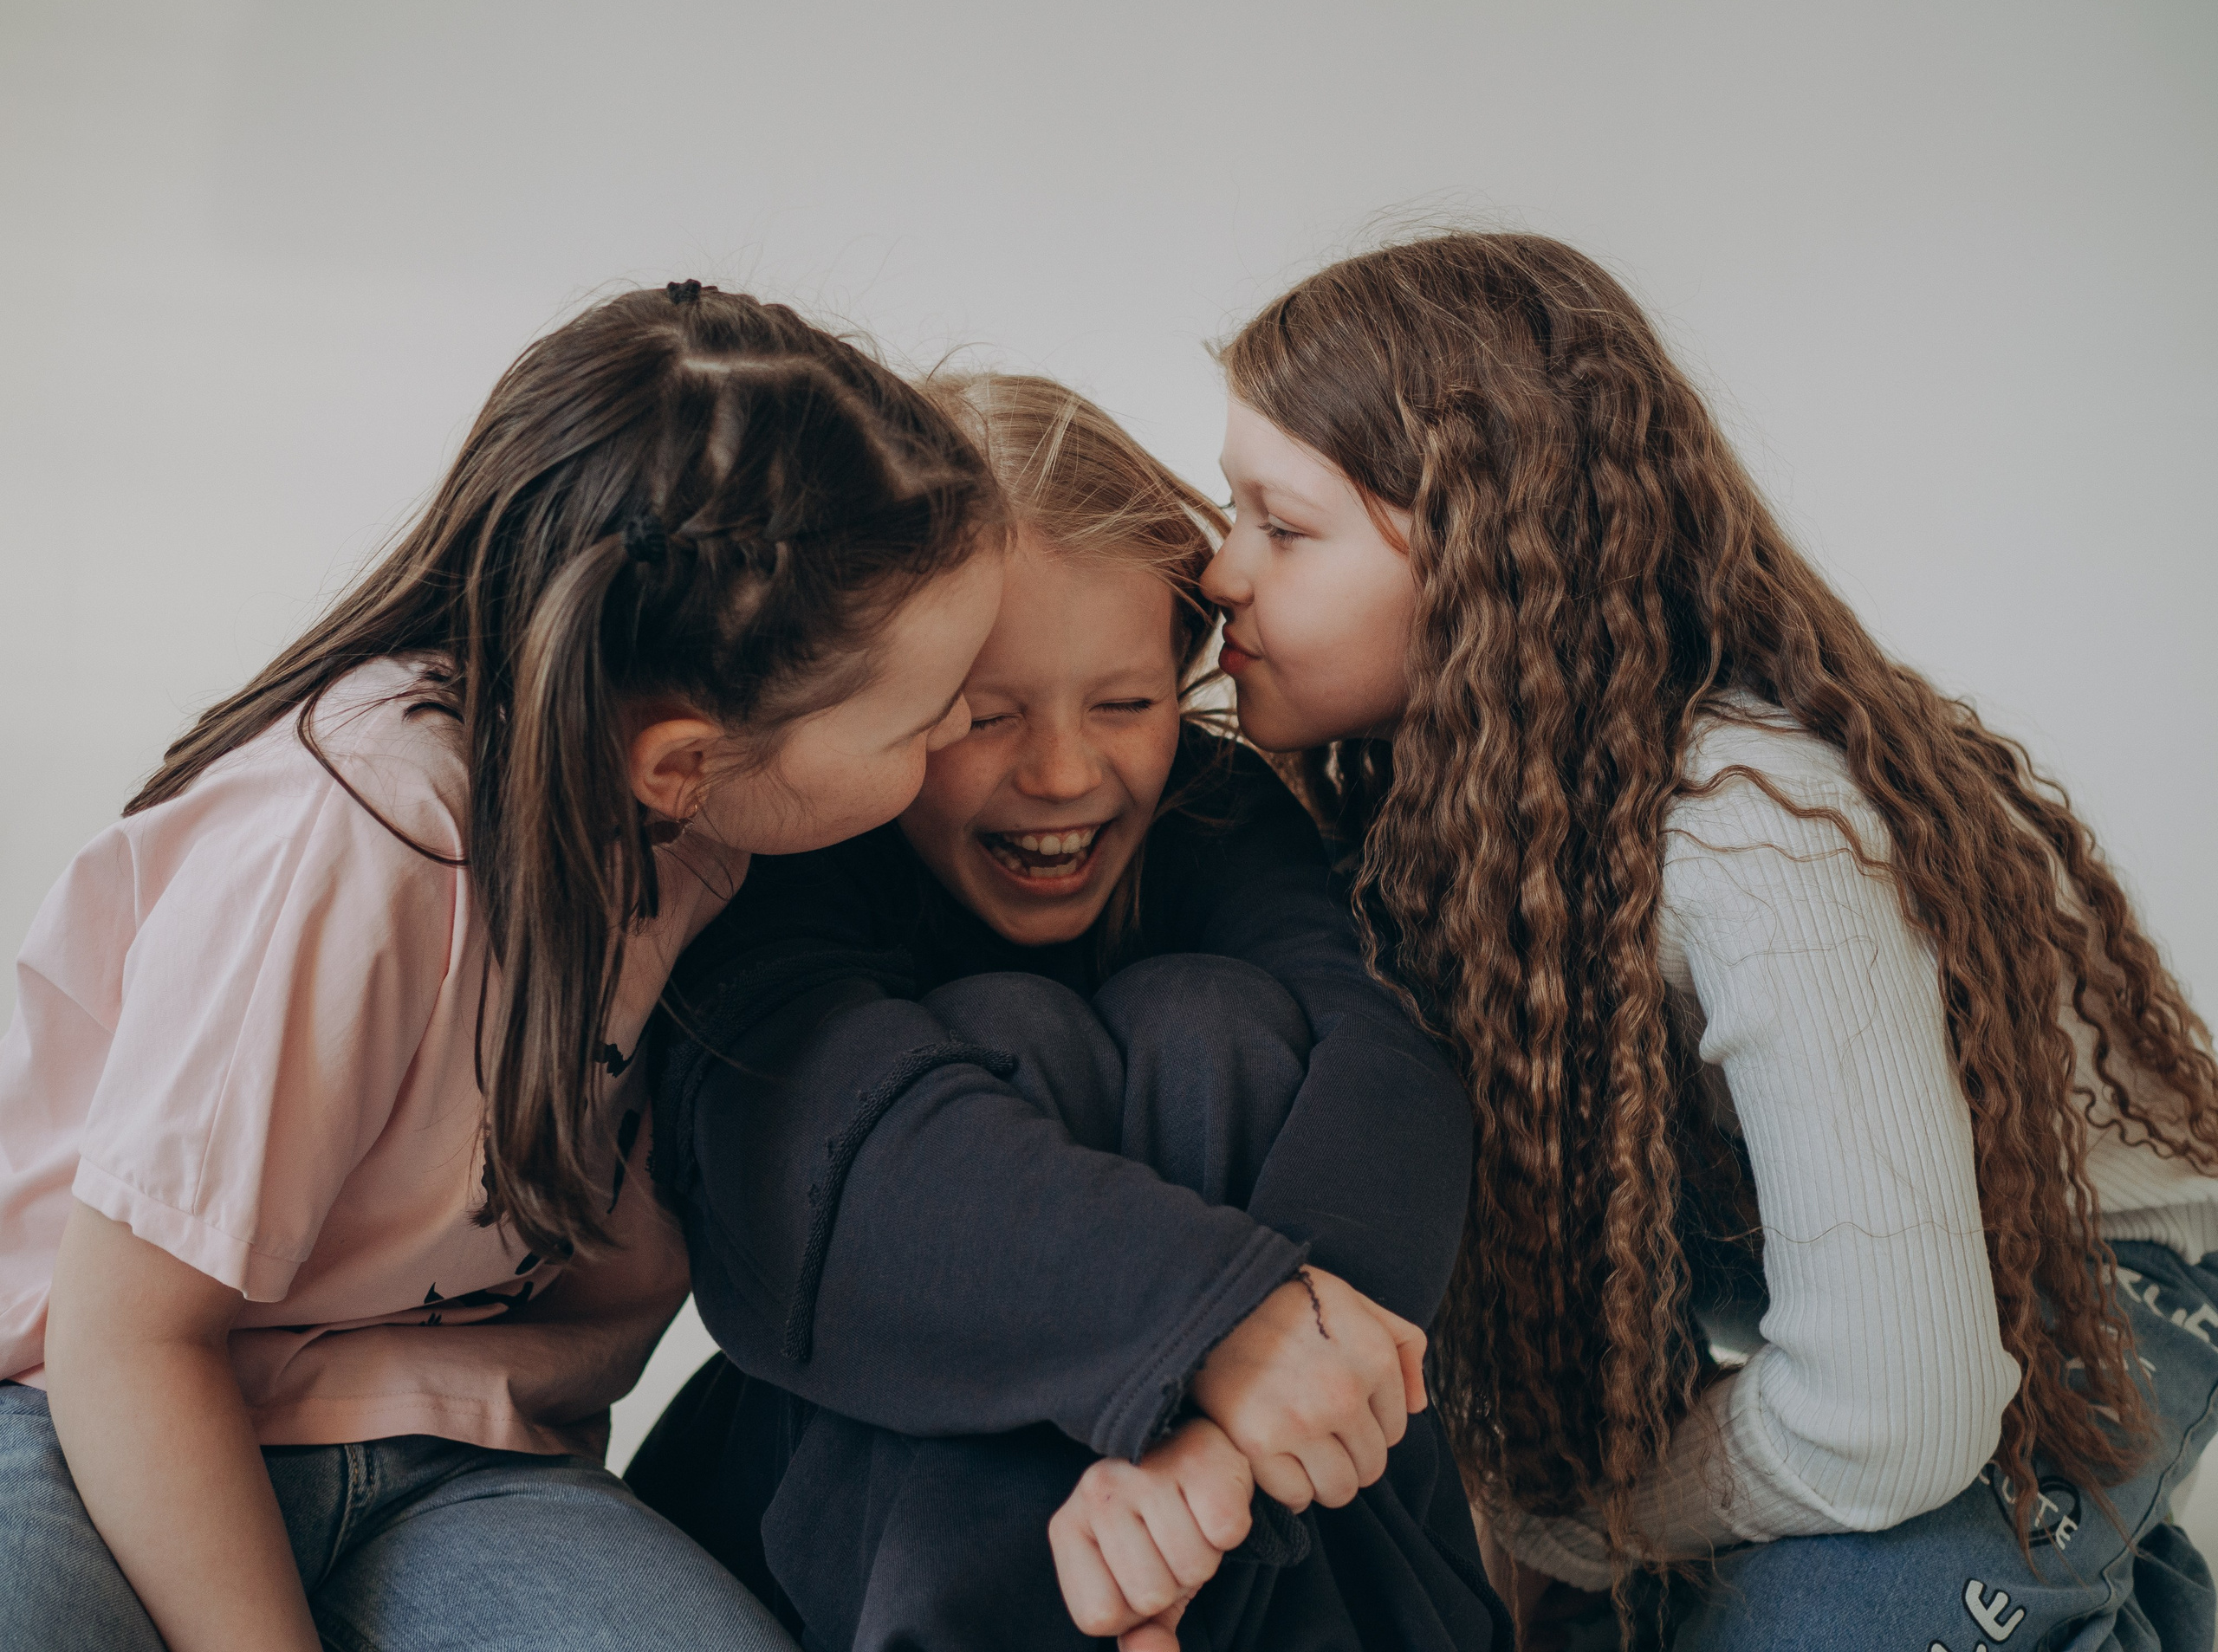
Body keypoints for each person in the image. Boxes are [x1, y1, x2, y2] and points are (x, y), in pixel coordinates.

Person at [1200, 230, 2218, 1648]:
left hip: (2090, 1268)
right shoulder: (1446, 802)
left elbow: (1895, 1411)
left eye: (1281, 526)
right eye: (1229, 510)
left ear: (1491, 553)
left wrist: (1591, 1521)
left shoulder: (1754, 831)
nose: (1219, 572)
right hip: (1799, 1273)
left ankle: (2124, 1598)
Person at [0, 281, 1006, 1652]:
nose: (962, 729)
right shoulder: (357, 841)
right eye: (923, 715)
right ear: (686, 759)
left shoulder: (716, 837)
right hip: (77, 1401)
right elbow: (125, 1336)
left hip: (438, 1442)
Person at [628, 373, 1504, 1651]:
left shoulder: (1215, 810)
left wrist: (1217, 1433)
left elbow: (1389, 1062)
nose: (1061, 772)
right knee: (1007, 1038)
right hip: (858, 1512)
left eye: (1128, 704)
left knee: (1213, 1023)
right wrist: (1207, 1329)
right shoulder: (807, 837)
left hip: (1243, 1517)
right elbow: (812, 1148)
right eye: (982, 717)